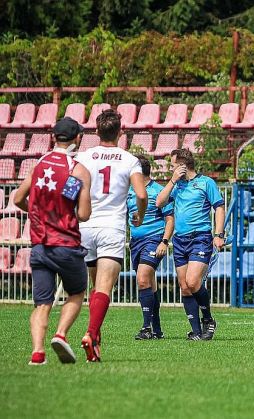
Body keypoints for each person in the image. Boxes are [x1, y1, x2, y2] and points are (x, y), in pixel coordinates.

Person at [15, 117, 92, 365]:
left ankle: (37, 352)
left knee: (42, 303)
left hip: (39, 245)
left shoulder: (38, 165)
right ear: (77, 138)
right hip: (66, 245)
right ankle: (60, 334)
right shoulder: (77, 170)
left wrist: (37, 214)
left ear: (53, 137)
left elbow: (17, 199)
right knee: (78, 292)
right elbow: (83, 214)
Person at [76, 109, 147, 362]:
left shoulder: (85, 157)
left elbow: (71, 187)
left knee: (95, 289)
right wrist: (139, 215)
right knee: (104, 288)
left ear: (96, 131)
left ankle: (96, 342)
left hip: (85, 227)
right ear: (120, 132)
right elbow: (141, 194)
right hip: (111, 228)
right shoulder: (129, 160)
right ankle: (91, 334)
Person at [156, 149, 225, 341]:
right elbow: (159, 203)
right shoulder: (176, 186)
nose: (171, 168)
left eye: (173, 165)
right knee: (185, 286)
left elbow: (219, 206)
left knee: (194, 282)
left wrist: (218, 234)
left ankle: (208, 319)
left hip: (200, 237)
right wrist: (171, 181)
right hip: (180, 240)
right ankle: (196, 331)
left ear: (182, 166)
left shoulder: (205, 183)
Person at [127, 156, 174, 340]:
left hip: (153, 240)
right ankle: (157, 329)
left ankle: (146, 328)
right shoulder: (130, 192)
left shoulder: (159, 191)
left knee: (142, 279)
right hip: (136, 242)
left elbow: (170, 219)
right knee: (149, 284)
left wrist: (164, 241)